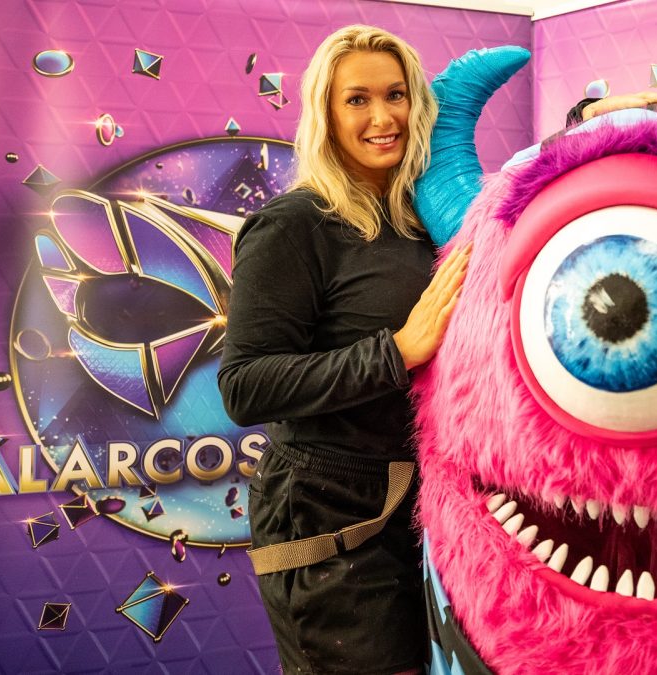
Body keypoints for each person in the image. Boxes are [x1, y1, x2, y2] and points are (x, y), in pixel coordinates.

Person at [217, 25, 465, 674]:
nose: (383, 118)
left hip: (432, 510)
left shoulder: (424, 220)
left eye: (396, 95)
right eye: (357, 99)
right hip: (329, 517)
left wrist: (589, 120)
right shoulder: (293, 225)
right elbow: (245, 385)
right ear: (325, 113)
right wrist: (397, 351)